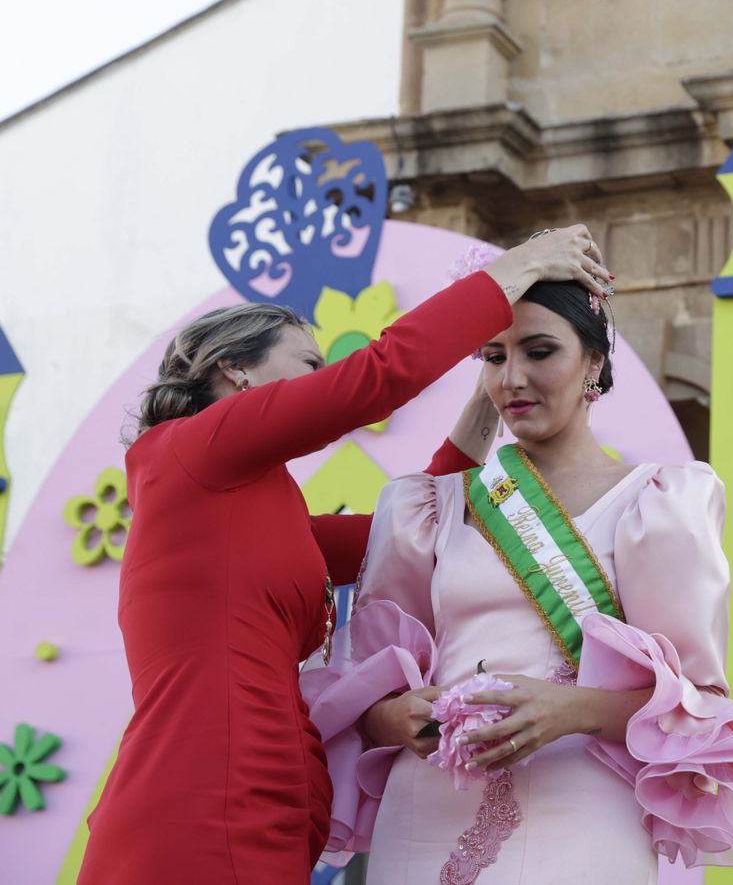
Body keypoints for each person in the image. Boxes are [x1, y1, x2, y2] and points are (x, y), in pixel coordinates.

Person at [78, 227, 613, 885]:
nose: (324, 376)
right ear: (235, 370)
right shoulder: (190, 452)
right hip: (203, 804)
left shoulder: (249, 501)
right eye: (309, 362)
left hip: (265, 808)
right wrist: (518, 268)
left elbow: (418, 525)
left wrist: (491, 387)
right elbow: (379, 376)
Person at [301, 269, 733, 883]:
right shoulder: (426, 510)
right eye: (493, 357)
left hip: (585, 809)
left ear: (593, 360)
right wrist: (394, 717)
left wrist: (570, 709)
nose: (512, 379)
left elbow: (697, 706)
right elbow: (367, 687)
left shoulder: (659, 504)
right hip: (429, 805)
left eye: (540, 351)